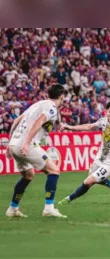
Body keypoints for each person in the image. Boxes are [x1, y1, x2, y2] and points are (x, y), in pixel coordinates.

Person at [5, 84, 67, 218]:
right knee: (54, 170)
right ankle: (49, 208)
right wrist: (27, 143)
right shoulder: (51, 107)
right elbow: (39, 122)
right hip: (26, 144)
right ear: (62, 97)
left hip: (15, 144)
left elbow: (16, 120)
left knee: (28, 175)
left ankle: (12, 208)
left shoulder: (38, 104)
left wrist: (10, 144)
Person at [58, 102, 110, 204]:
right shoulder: (103, 121)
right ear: (106, 112)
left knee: (88, 181)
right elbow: (89, 126)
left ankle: (68, 199)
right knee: (91, 176)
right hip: (99, 158)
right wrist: (70, 127)